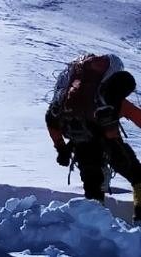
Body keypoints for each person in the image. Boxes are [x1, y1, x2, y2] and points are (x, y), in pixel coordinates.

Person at [45, 54, 141, 223]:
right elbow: (136, 117)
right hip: (110, 145)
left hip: (80, 145)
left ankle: (93, 225)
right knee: (138, 176)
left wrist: (61, 148)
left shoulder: (68, 97)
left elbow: (51, 121)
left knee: (92, 186)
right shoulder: (109, 100)